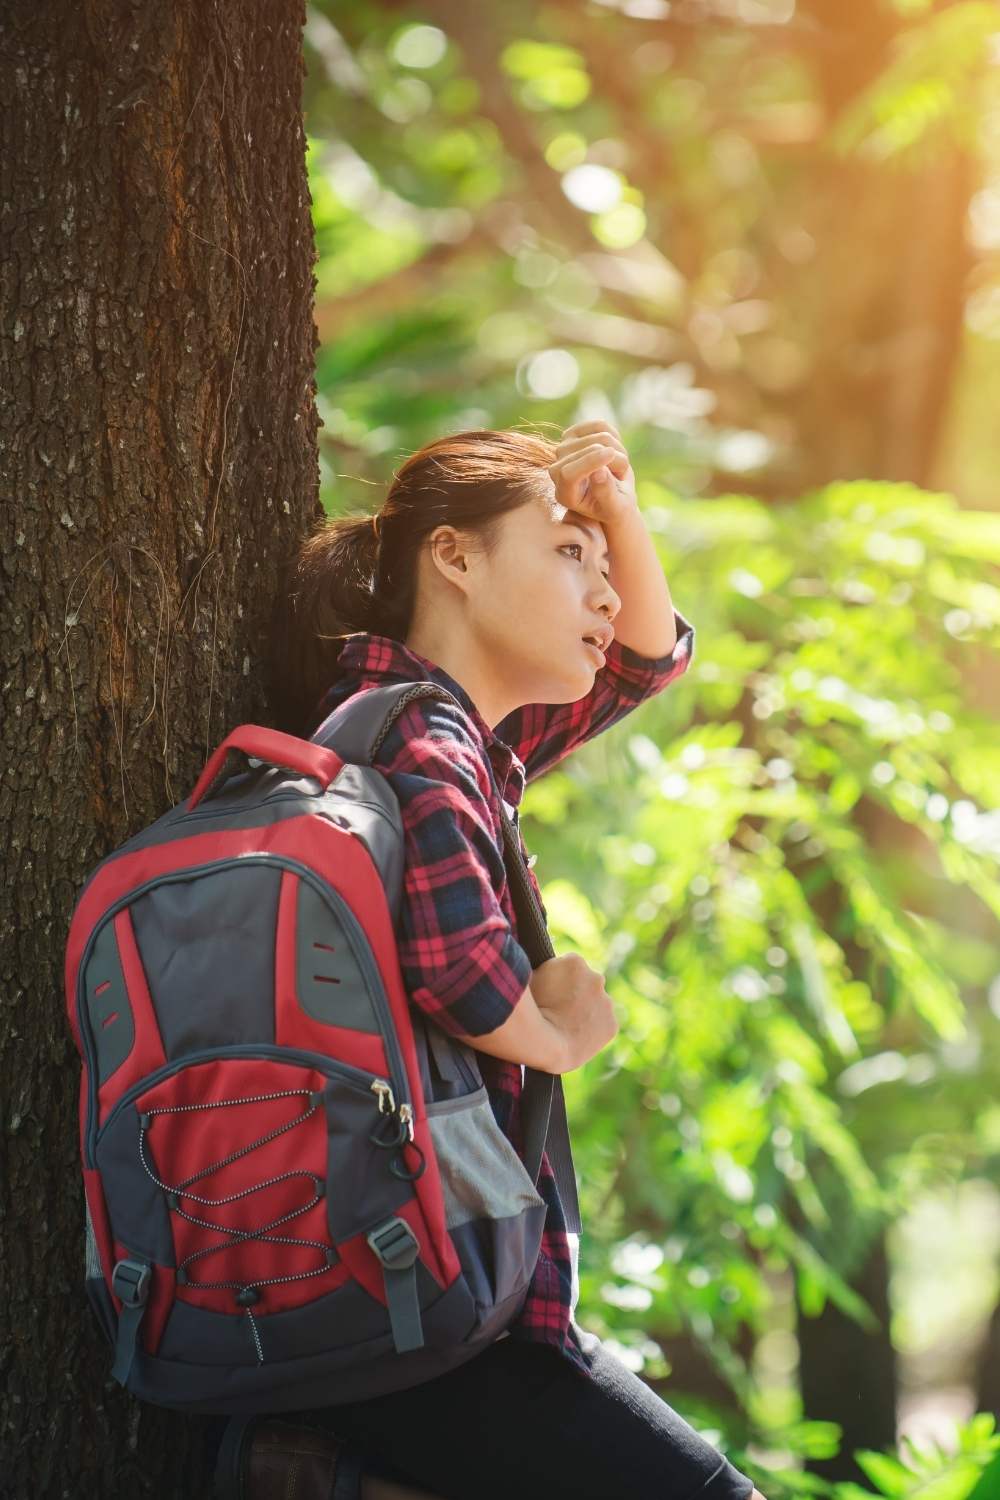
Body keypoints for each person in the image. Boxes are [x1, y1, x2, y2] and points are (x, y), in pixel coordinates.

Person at [213, 421, 767, 1500]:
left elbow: (647, 658)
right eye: (569, 556)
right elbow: (459, 974)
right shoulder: (426, 745)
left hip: (370, 1286)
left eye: (604, 569)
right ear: (453, 557)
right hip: (423, 1312)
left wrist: (611, 512)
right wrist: (563, 1026)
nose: (605, 596)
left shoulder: (411, 726)